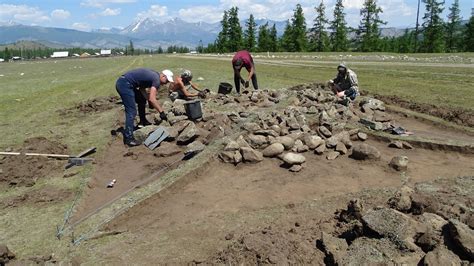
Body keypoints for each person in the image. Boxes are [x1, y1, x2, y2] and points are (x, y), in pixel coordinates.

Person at [116, 68, 173, 146]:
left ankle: (142, 121)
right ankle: (129, 139)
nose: (166, 83)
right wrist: (161, 112)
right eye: (167, 81)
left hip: (125, 82)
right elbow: (153, 99)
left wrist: (148, 100)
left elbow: (142, 88)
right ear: (163, 76)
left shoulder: (154, 76)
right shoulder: (156, 80)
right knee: (131, 111)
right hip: (125, 85)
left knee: (142, 100)